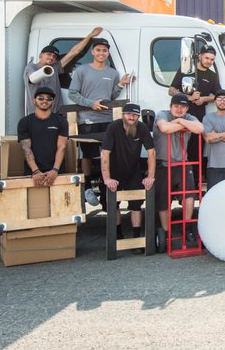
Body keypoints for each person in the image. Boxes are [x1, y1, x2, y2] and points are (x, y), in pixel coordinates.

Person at [67, 36, 132, 205]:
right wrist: (91, 104)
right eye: (98, 50)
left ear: (108, 53)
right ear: (92, 52)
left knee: (107, 154)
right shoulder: (82, 70)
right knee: (88, 154)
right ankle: (87, 187)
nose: (101, 53)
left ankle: (105, 189)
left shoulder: (112, 73)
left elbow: (111, 96)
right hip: (88, 119)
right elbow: (72, 93)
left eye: (104, 50)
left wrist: (121, 84)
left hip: (108, 118)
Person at [100, 103, 156, 240]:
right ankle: (118, 234)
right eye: (129, 114)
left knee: (136, 205)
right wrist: (107, 179)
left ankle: (136, 236)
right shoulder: (113, 127)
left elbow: (152, 152)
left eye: (135, 115)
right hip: (114, 172)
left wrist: (150, 176)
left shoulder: (142, 128)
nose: (132, 117)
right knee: (113, 204)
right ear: (123, 115)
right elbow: (105, 153)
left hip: (133, 171)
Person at [152, 94, 203, 236]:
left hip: (182, 163)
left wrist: (180, 120)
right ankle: (166, 232)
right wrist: (185, 125)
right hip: (163, 164)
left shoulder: (188, 117)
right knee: (163, 199)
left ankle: (187, 229)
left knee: (189, 195)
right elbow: (164, 128)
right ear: (170, 106)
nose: (179, 109)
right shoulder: (162, 114)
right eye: (176, 106)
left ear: (187, 108)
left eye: (183, 107)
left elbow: (199, 128)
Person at [23, 26, 101, 114]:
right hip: (38, 114)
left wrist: (90, 36)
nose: (51, 57)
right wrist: (44, 72)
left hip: (56, 113)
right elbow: (32, 78)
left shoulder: (55, 68)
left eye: (54, 56)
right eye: (49, 54)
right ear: (41, 55)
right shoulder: (31, 67)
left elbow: (73, 52)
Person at [169, 45, 222, 163]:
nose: (209, 61)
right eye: (207, 58)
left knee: (196, 147)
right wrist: (189, 97)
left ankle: (195, 173)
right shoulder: (186, 70)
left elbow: (219, 96)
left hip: (198, 116)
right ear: (199, 56)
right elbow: (171, 90)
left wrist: (203, 99)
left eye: (212, 59)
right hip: (180, 113)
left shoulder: (212, 76)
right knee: (178, 145)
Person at [17, 86, 68, 186]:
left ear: (53, 101)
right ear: (34, 100)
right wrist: (35, 171)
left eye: (49, 99)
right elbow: (26, 148)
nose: (45, 101)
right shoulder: (24, 122)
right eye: (40, 98)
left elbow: (62, 146)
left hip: (57, 173)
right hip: (32, 173)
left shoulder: (61, 121)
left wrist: (55, 170)